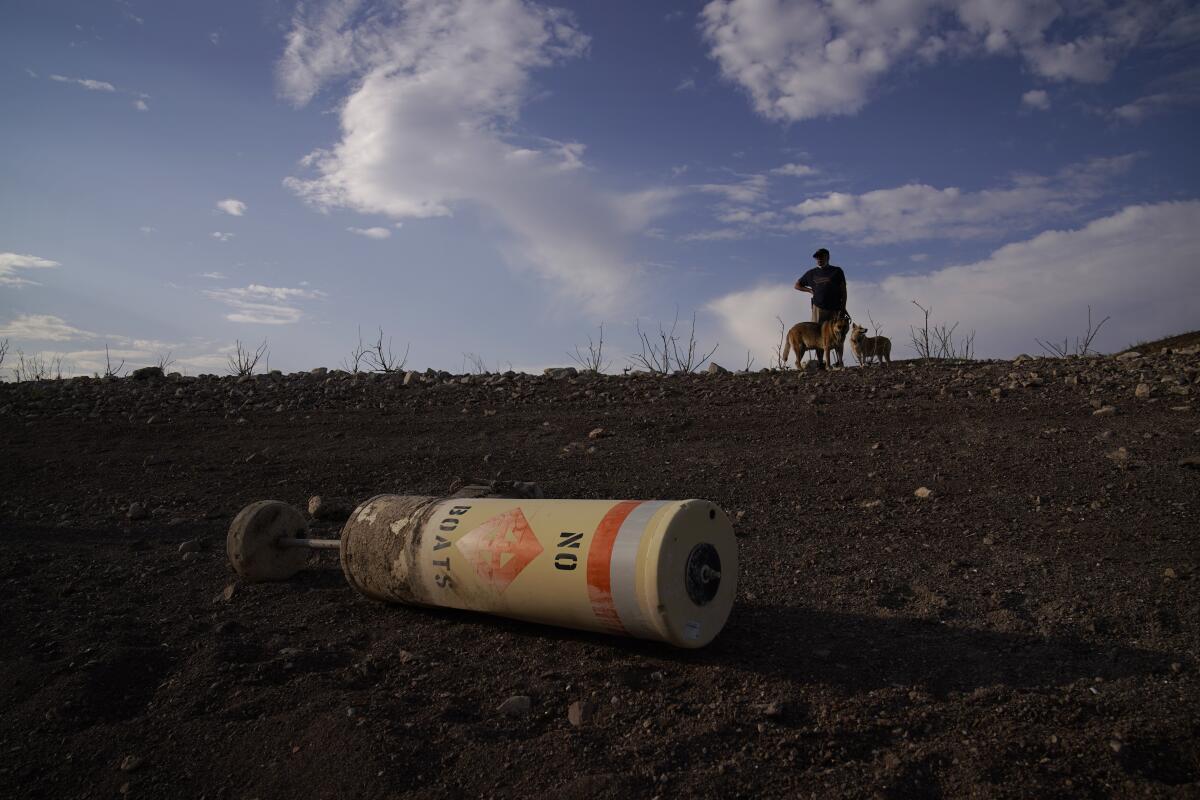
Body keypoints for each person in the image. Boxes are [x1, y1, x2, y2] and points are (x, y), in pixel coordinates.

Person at [794, 248, 847, 324]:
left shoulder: (837, 271)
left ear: (827, 257)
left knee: (834, 334)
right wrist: (809, 290)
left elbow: (844, 291)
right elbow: (797, 285)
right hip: (818, 308)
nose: (819, 259)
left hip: (835, 308)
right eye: (817, 257)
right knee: (817, 333)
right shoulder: (811, 273)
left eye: (821, 257)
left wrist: (843, 308)